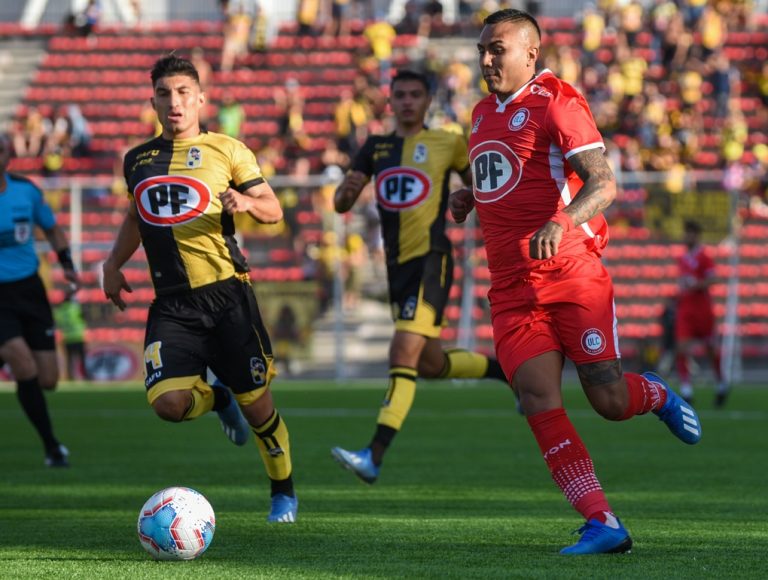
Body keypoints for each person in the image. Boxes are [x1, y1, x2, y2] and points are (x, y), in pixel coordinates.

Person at [448, 9, 702, 555]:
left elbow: (604, 183)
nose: (486, 59)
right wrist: (471, 195)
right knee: (537, 395)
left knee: (608, 401)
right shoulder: (478, 115)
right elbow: (505, 176)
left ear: (530, 54)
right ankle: (603, 521)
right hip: (513, 288)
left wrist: (561, 221)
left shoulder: (557, 100)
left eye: (497, 49)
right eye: (482, 50)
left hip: (571, 273)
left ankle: (652, 392)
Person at [101, 55, 297, 523]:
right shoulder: (137, 160)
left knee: (260, 407)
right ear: (153, 101)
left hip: (227, 297)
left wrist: (247, 200)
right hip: (172, 304)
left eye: (184, 93)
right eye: (165, 94)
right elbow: (135, 217)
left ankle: (283, 492)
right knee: (167, 403)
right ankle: (218, 398)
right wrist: (112, 263)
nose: (175, 102)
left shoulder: (229, 150)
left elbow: (274, 210)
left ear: (201, 98)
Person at [331, 70, 510, 485]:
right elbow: (342, 202)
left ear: (428, 100)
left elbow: (480, 189)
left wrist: (470, 203)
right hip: (397, 269)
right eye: (400, 95)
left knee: (402, 353)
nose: (408, 101)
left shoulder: (448, 141)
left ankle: (373, 454)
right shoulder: (375, 147)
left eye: (415, 94)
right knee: (429, 363)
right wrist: (350, 186)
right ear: (389, 102)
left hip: (432, 260)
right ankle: (506, 373)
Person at [0, 132, 79, 467]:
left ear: (8, 154)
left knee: (48, 379)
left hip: (30, 290)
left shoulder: (26, 191)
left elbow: (52, 229)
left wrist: (67, 266)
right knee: (24, 365)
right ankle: (52, 447)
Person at [675, 220, 728, 407]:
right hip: (686, 309)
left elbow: (714, 279)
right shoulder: (682, 258)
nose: (687, 237)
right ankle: (686, 391)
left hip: (703, 310)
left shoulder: (704, 257)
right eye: (686, 233)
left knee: (711, 351)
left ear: (696, 236)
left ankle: (722, 383)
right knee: (681, 348)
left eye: (690, 233)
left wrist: (696, 285)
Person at [52, 285, 89, 380]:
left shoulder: (59, 311)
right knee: (82, 359)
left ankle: (70, 377)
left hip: (67, 338)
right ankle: (86, 377)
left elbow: (57, 323)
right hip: (78, 337)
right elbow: (84, 315)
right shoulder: (75, 307)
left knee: (69, 359)